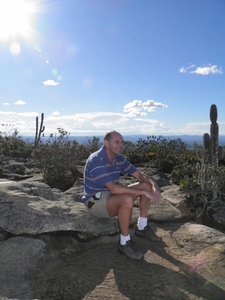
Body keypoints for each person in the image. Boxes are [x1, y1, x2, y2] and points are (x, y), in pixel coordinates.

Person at [81, 130, 162, 260]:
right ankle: (124, 243)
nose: (121, 145)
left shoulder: (119, 158)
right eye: (117, 142)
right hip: (94, 202)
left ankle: (142, 227)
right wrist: (143, 192)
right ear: (106, 143)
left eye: (122, 142)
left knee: (145, 185)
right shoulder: (96, 159)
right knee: (127, 199)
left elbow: (140, 175)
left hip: (111, 197)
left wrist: (154, 185)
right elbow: (113, 189)